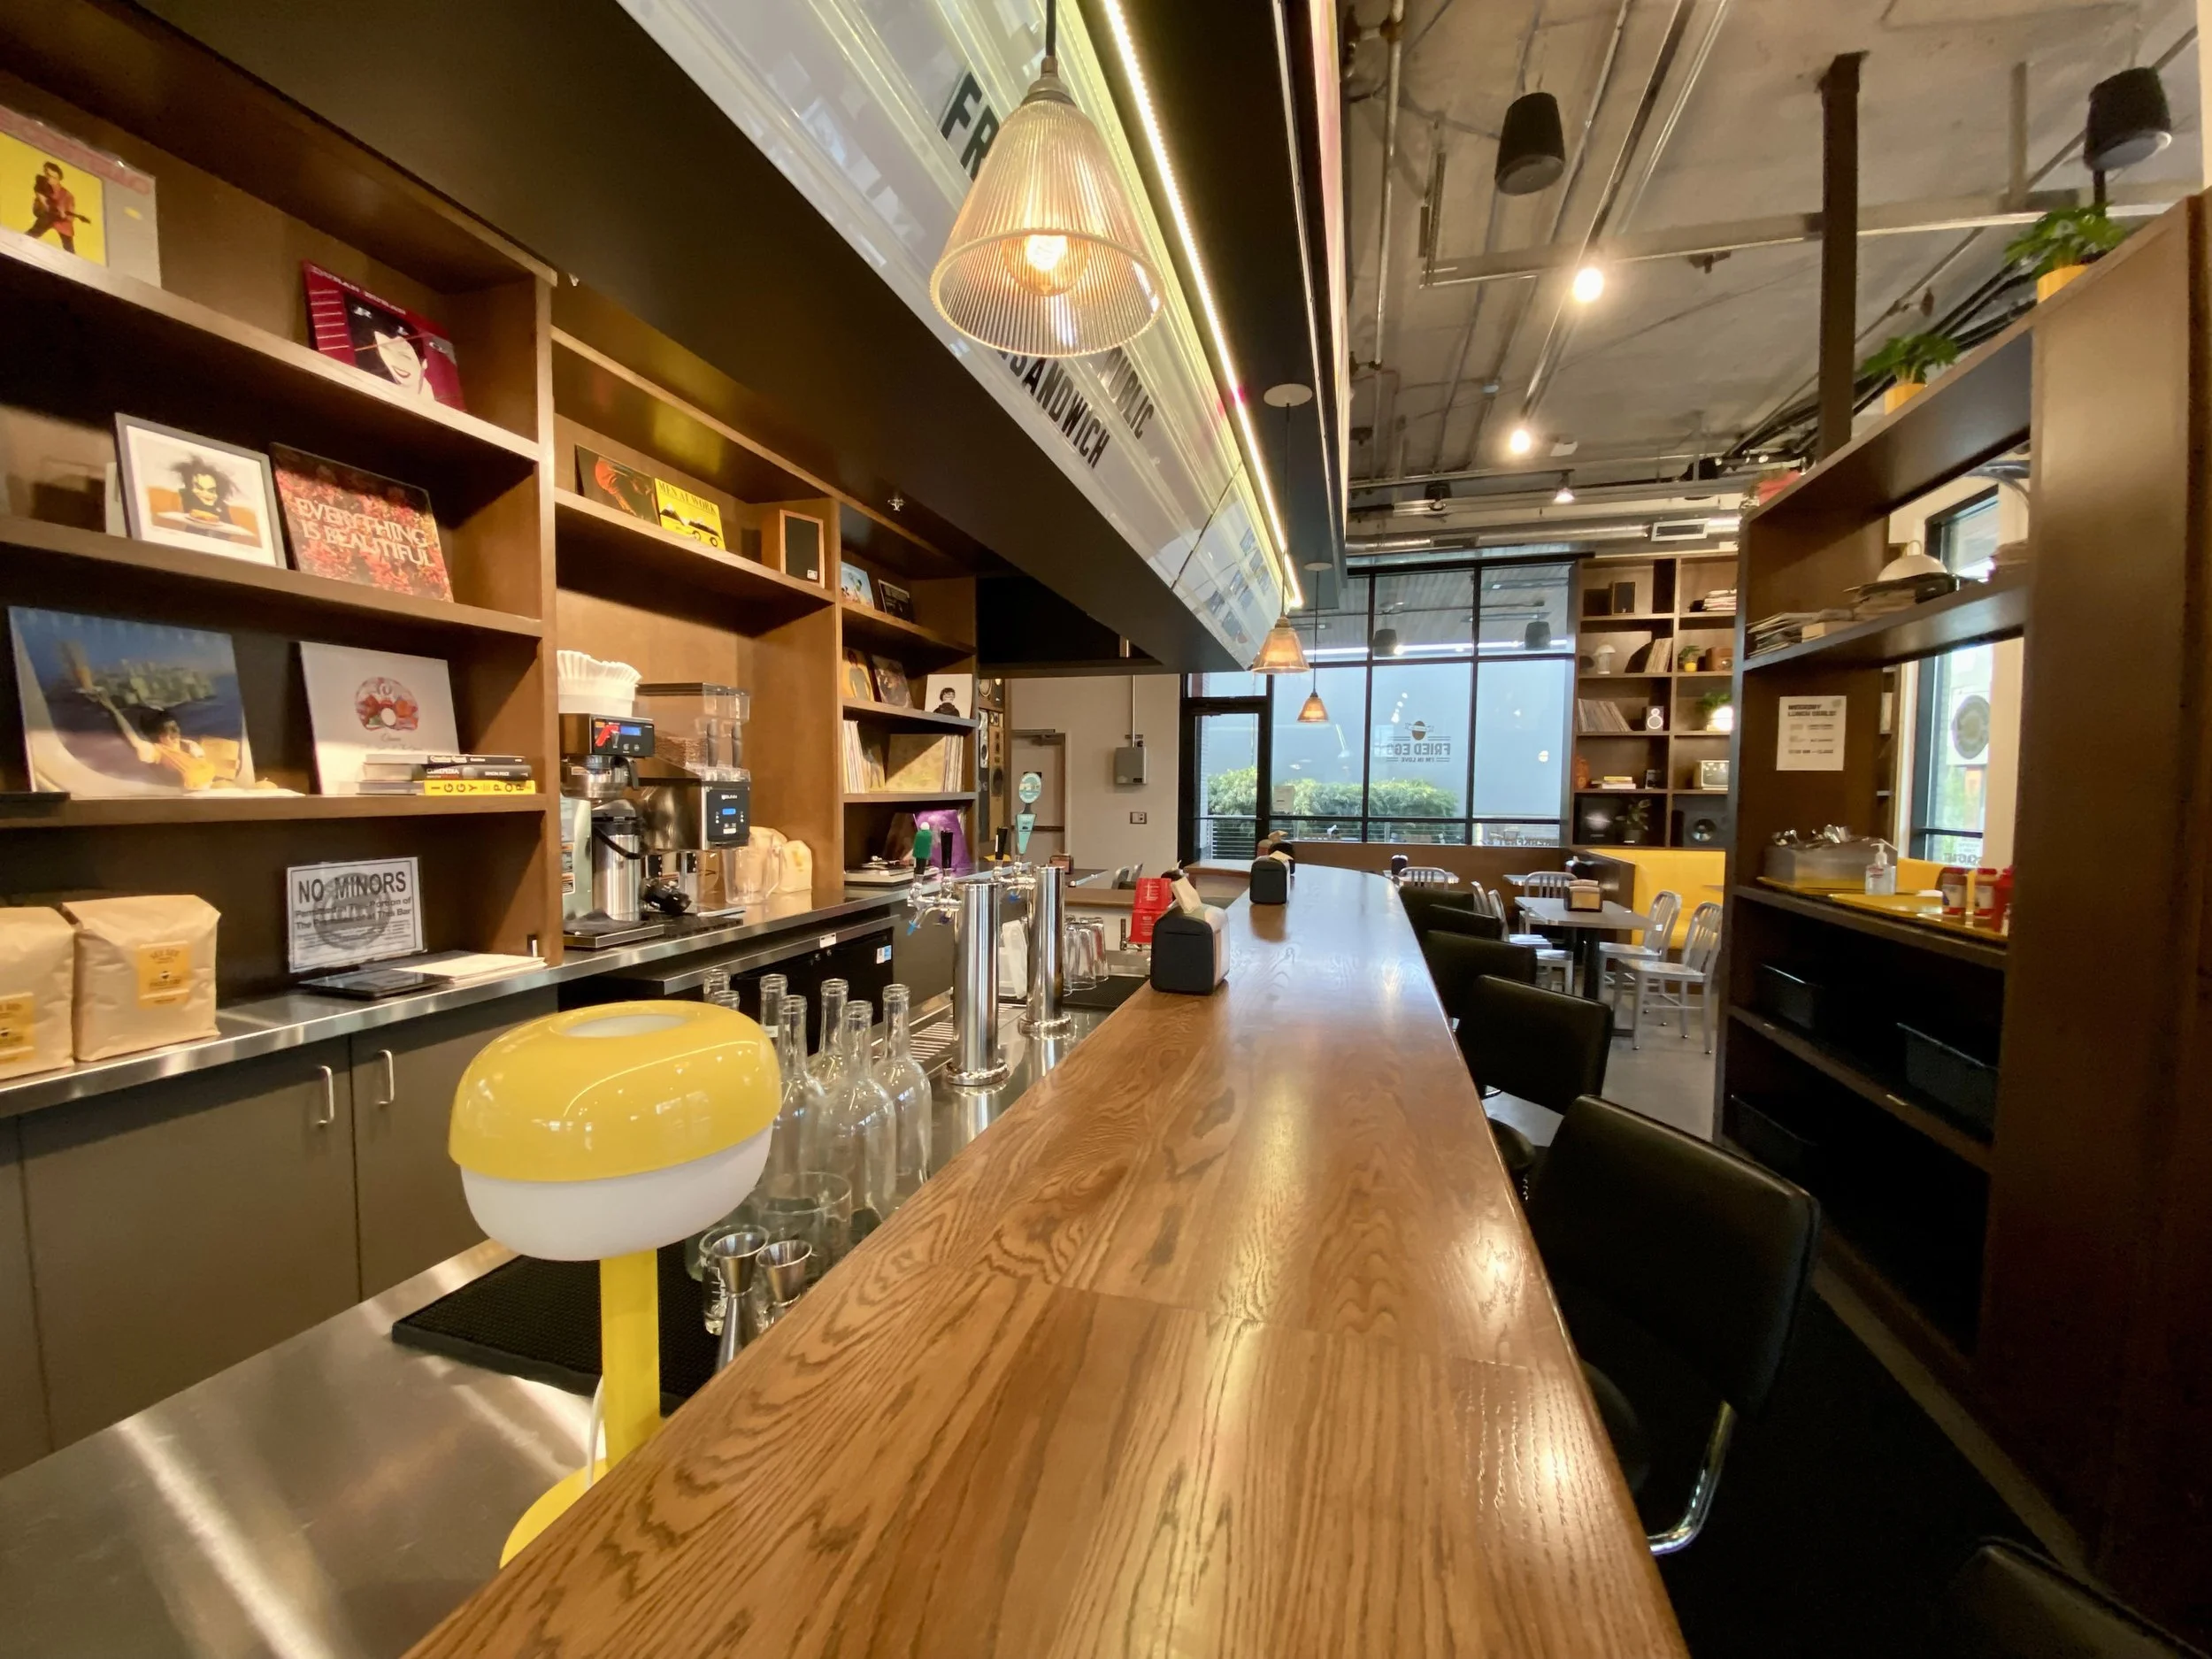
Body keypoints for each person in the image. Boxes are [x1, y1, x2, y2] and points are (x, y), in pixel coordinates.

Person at [27, 161, 89, 253]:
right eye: (47, 175)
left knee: (69, 248)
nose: (49, 179)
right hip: (46, 216)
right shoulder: (41, 184)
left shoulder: (68, 196)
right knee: (33, 233)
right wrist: (45, 203)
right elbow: (41, 197)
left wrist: (64, 214)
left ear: (59, 179)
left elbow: (70, 217)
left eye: (53, 178)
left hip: (61, 221)